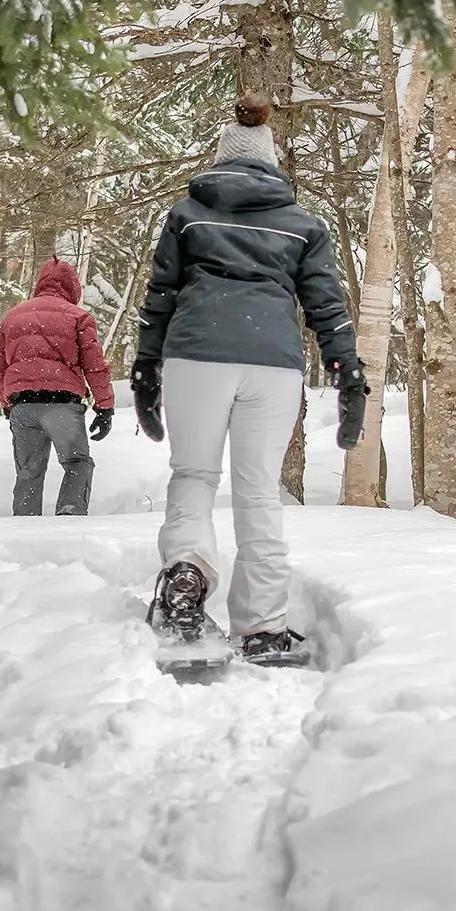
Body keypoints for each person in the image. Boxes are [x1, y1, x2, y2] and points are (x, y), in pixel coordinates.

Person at [131, 93, 368, 664]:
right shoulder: (302, 225)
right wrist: (347, 368)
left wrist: (146, 364)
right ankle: (262, 628)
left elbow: (161, 292)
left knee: (193, 474)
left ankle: (185, 575)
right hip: (271, 364)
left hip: (197, 355)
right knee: (259, 491)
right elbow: (326, 303)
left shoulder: (188, 214)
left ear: (220, 161)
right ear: (271, 163)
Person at [0, 257, 116, 516]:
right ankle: (69, 517)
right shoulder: (78, 317)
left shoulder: (13, 317)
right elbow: (94, 366)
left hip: (22, 405)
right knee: (77, 463)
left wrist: (6, 403)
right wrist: (105, 406)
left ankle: (24, 526)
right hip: (62, 405)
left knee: (28, 472)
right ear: (72, 287)